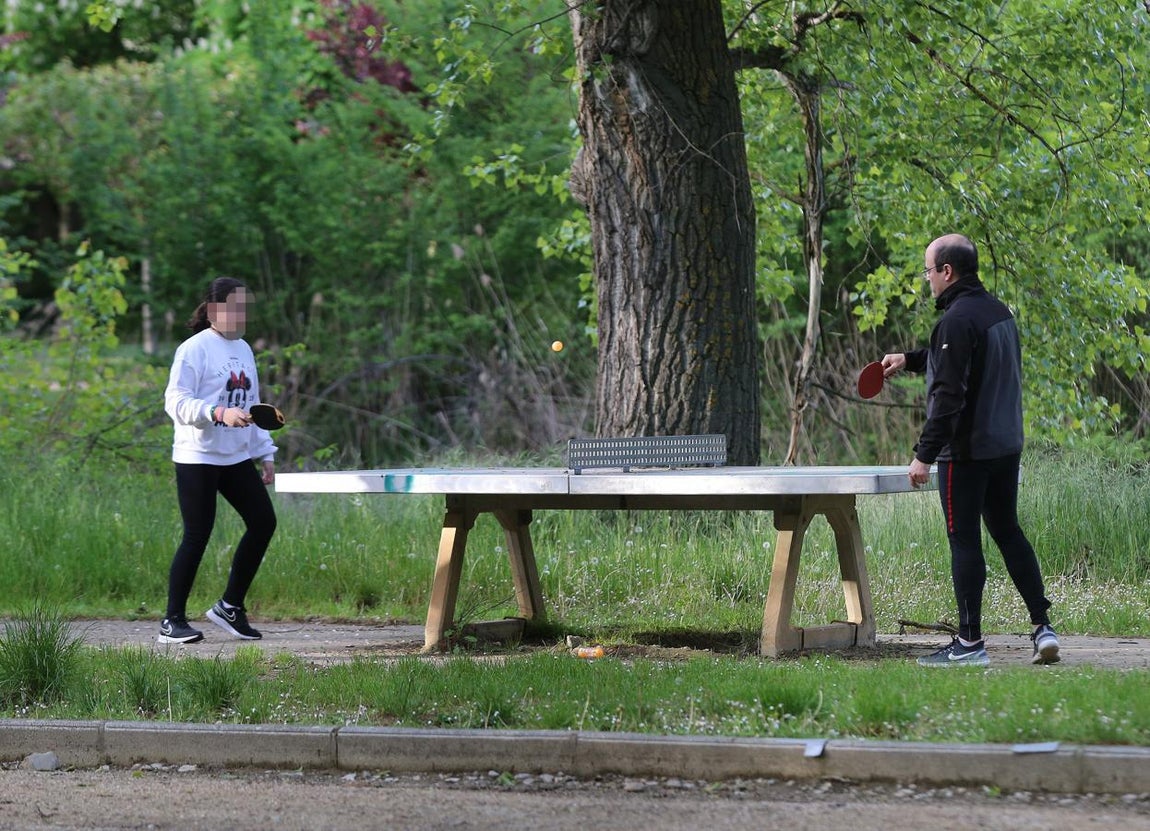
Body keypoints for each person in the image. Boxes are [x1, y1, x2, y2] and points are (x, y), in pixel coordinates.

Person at [881, 234, 1059, 667]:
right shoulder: (998, 313)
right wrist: (910, 358)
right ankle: (1043, 627)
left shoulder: (955, 321)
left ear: (947, 271)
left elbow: (949, 395)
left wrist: (924, 453)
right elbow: (964, 362)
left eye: (928, 271)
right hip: (1005, 445)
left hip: (966, 452)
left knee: (964, 541)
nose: (927, 280)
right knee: (1008, 531)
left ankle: (969, 643)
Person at [159, 277, 277, 644]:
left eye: (246, 307)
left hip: (235, 456)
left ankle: (229, 607)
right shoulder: (193, 349)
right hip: (198, 457)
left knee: (263, 522)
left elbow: (252, 405)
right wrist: (215, 412)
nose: (242, 314)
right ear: (214, 310)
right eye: (235, 306)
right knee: (197, 534)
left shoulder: (243, 349)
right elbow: (175, 402)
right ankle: (171, 622)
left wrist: (265, 452)